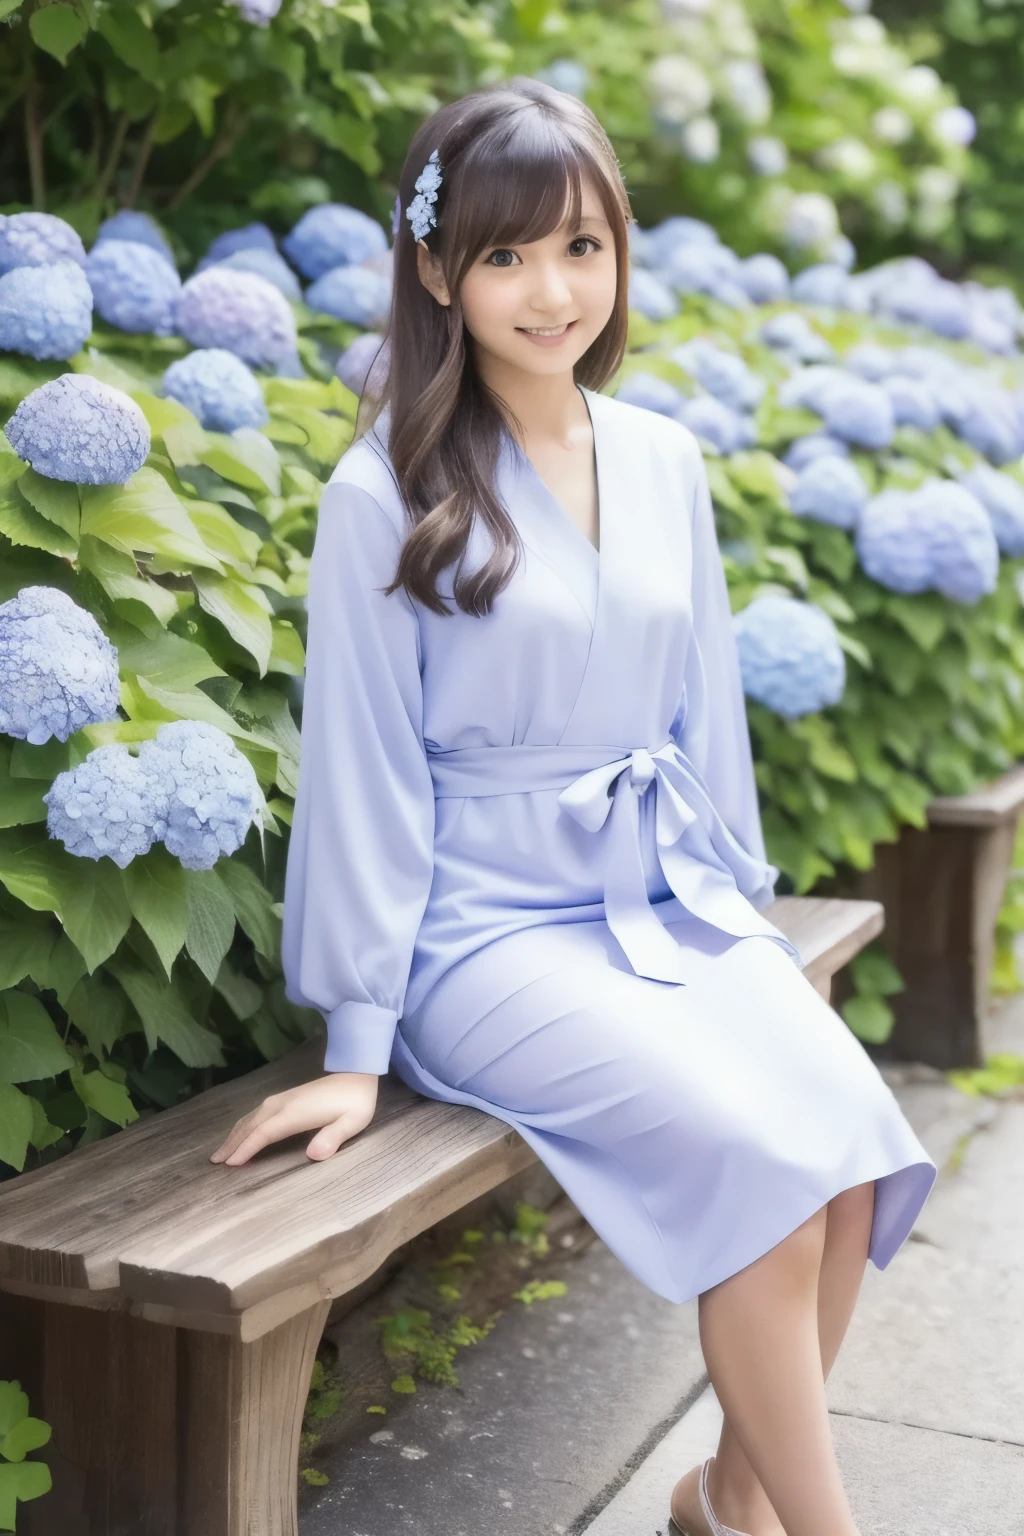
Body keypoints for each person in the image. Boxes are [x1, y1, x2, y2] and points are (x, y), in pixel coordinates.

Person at [210, 78, 937, 1536]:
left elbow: (701, 712)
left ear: (619, 255)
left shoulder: (663, 459)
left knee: (857, 1141)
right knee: (753, 1165)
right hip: (477, 935)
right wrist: (360, 1039)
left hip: (659, 897)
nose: (552, 291)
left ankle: (729, 1499)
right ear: (436, 272)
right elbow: (363, 775)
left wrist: (739, 921)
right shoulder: (386, 490)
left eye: (582, 248)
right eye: (504, 257)